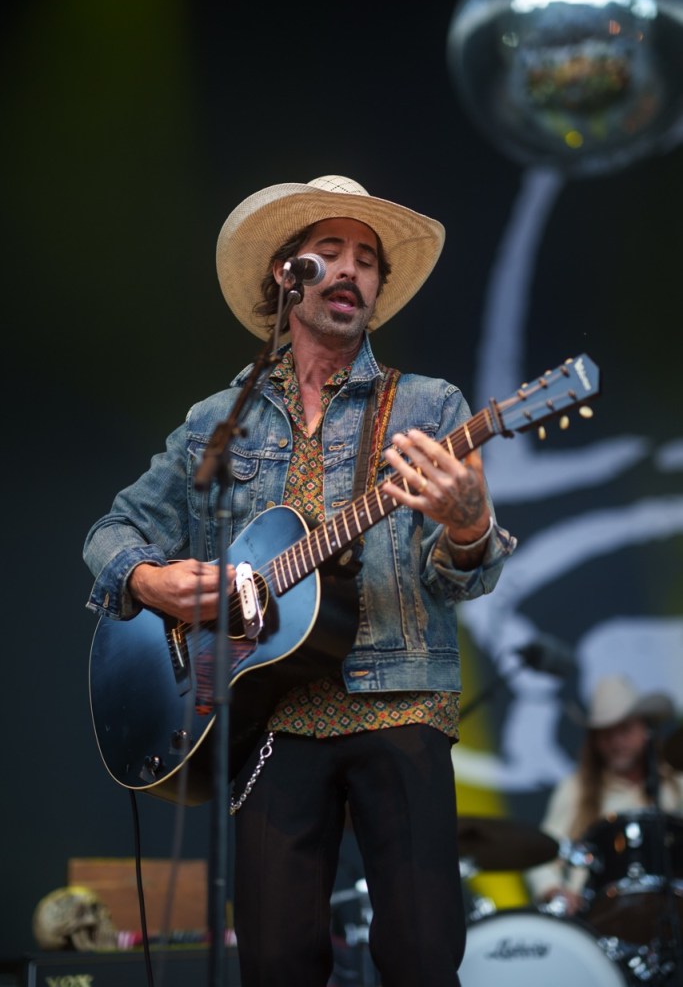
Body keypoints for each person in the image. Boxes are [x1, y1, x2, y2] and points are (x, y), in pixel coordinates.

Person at [83, 173, 516, 987]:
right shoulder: (218, 421)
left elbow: (461, 580)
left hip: (398, 701)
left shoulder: (428, 407)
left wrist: (467, 528)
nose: (350, 269)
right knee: (275, 963)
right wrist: (149, 580)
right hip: (268, 714)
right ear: (286, 274)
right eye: (329, 252)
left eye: (367, 260)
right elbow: (112, 529)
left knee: (421, 957)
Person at [526, 674, 683, 921]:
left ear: (646, 730)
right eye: (605, 734)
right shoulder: (575, 788)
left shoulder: (675, 783)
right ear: (594, 741)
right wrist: (555, 891)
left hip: (671, 916)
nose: (616, 742)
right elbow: (541, 853)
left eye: (624, 729)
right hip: (596, 921)